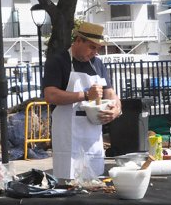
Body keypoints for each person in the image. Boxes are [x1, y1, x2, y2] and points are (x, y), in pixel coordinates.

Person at [43, 21, 122, 180]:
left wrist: (116, 109)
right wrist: (85, 95)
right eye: (92, 47)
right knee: (68, 180)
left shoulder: (98, 64)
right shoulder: (58, 61)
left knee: (94, 180)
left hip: (92, 134)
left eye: (98, 48)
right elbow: (50, 95)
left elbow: (111, 93)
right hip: (67, 133)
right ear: (78, 40)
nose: (95, 52)